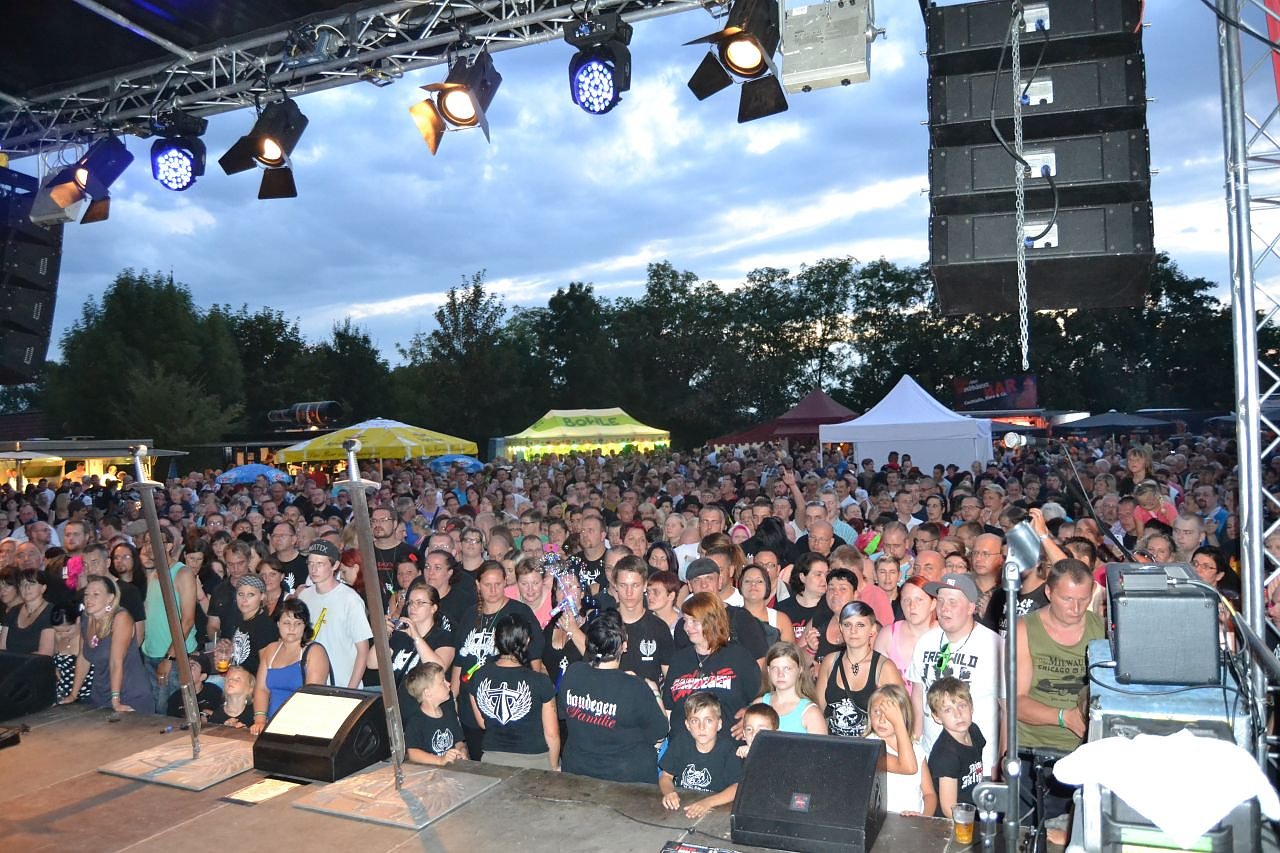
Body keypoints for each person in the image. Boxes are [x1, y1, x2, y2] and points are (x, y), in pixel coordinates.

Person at [1015, 558, 1104, 821]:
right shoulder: (1025, 629)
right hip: (1032, 749)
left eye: (1083, 599)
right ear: (1048, 592)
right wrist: (1066, 718)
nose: (1075, 608)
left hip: (1084, 752)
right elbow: (1016, 702)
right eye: (1067, 599)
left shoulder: (1102, 630)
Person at [557, 611, 669, 784]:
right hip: (627, 779)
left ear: (590, 643)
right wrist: (654, 691)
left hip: (578, 772)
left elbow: (563, 713)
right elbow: (660, 732)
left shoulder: (573, 673)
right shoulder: (635, 687)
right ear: (624, 646)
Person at [908, 572, 1003, 772]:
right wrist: (916, 743)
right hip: (930, 758)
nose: (944, 609)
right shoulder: (926, 641)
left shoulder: (994, 646)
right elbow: (918, 693)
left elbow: (1009, 709)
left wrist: (1002, 760)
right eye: (941, 601)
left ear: (971, 607)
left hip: (978, 763)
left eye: (953, 602)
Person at [663, 592, 760, 742]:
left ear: (712, 621)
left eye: (694, 621)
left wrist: (750, 717)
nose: (687, 627)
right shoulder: (679, 659)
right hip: (683, 747)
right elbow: (669, 708)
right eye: (685, 620)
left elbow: (762, 696)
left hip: (727, 746)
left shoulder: (739, 657)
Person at [470, 614, 559, 770]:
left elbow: (483, 723)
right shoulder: (540, 681)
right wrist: (553, 768)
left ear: (495, 639)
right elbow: (551, 734)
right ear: (527, 641)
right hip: (534, 763)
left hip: (492, 761)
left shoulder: (478, 676)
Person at [62, 575, 153, 713]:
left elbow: (116, 662)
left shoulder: (120, 618)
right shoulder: (86, 617)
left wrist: (115, 700)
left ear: (110, 598)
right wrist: (73, 694)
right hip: (100, 695)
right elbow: (83, 658)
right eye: (86, 594)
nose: (88, 599)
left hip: (129, 694)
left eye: (96, 594)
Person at [816, 601, 904, 737]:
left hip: (870, 745)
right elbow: (818, 711)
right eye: (847, 625)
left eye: (860, 625)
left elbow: (901, 717)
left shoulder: (885, 668)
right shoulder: (829, 662)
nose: (853, 631)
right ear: (840, 628)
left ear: (872, 629)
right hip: (832, 744)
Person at [296, 540, 372, 689]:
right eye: (310, 563)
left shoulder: (350, 599)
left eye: (320, 564)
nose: (314, 569)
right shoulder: (304, 596)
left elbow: (363, 650)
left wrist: (351, 690)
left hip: (342, 684)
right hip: (311, 683)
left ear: (335, 565)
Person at [251, 598, 332, 731]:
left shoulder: (315, 651)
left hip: (303, 726)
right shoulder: (271, 649)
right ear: (278, 624)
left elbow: (312, 697)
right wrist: (260, 720)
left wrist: (289, 727)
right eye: (286, 623)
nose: (292, 628)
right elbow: (261, 689)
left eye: (298, 623)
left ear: (305, 625)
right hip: (271, 724)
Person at [659, 692, 743, 819]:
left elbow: (736, 787)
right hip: (684, 805)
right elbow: (666, 776)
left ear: (719, 724)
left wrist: (708, 803)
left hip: (716, 809)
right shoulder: (681, 743)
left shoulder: (727, 749)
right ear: (687, 725)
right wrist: (669, 793)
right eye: (695, 721)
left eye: (708, 720)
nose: (701, 727)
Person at [372, 579, 456, 686]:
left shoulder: (445, 637)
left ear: (433, 608)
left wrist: (416, 637)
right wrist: (383, 636)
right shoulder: (401, 635)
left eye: (420, 603)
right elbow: (372, 663)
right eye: (410, 602)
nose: (412, 607)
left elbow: (438, 669)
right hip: (396, 695)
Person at [867, 684, 934, 816]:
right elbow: (908, 767)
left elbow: (929, 793)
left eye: (889, 715)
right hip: (885, 822)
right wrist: (898, 723)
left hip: (916, 822)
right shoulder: (871, 747)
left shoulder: (916, 748)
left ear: (904, 716)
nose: (882, 720)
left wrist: (924, 818)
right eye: (877, 712)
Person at [927, 676, 986, 819]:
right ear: (937, 717)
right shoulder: (946, 755)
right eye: (948, 710)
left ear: (971, 707)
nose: (958, 714)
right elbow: (949, 809)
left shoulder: (974, 731)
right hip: (953, 822)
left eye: (962, 705)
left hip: (973, 811)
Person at [613, 556, 672, 686]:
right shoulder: (603, 625)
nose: (629, 592)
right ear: (615, 585)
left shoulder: (659, 628)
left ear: (645, 585)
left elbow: (670, 679)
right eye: (623, 585)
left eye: (635, 585)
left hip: (649, 697)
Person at [874, 576, 935, 698]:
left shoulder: (945, 635)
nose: (912, 606)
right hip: (896, 706)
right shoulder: (887, 635)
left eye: (919, 600)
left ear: (933, 604)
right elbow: (877, 682)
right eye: (906, 600)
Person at [403, 661, 468, 765]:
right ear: (427, 693)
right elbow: (413, 753)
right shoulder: (416, 721)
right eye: (442, 681)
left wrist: (461, 751)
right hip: (428, 771)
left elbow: (458, 741)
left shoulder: (449, 713)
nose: (448, 684)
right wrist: (440, 760)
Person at [759, 642, 827, 735]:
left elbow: (820, 744)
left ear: (800, 670)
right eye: (775, 668)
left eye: (787, 668)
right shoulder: (759, 705)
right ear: (768, 670)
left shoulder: (811, 714)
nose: (780, 674)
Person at [225, 574, 279, 676]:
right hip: (236, 676)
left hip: (252, 682)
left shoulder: (265, 626)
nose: (244, 600)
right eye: (241, 594)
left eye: (250, 595)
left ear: (262, 596)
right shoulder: (238, 618)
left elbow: (267, 668)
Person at [775, 552, 828, 643]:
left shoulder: (830, 609)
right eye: (818, 574)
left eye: (826, 575)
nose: (824, 580)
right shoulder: (782, 608)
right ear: (802, 577)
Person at [739, 563, 794, 648]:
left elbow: (790, 653)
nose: (753, 584)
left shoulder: (781, 620)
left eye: (759, 581)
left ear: (767, 587)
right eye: (747, 581)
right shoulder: (730, 617)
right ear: (740, 586)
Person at [1, 568, 53, 655]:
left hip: (35, 663)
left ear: (43, 588)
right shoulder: (13, 612)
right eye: (22, 584)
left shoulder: (51, 612)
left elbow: (45, 654)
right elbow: (2, 647)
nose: (26, 588)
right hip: (9, 662)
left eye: (32, 583)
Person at [50, 602, 92, 702]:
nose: (62, 635)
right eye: (57, 631)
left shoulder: (86, 636)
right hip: (61, 693)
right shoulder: (57, 636)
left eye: (67, 630)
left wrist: (73, 695)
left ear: (78, 620)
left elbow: (83, 664)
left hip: (85, 695)